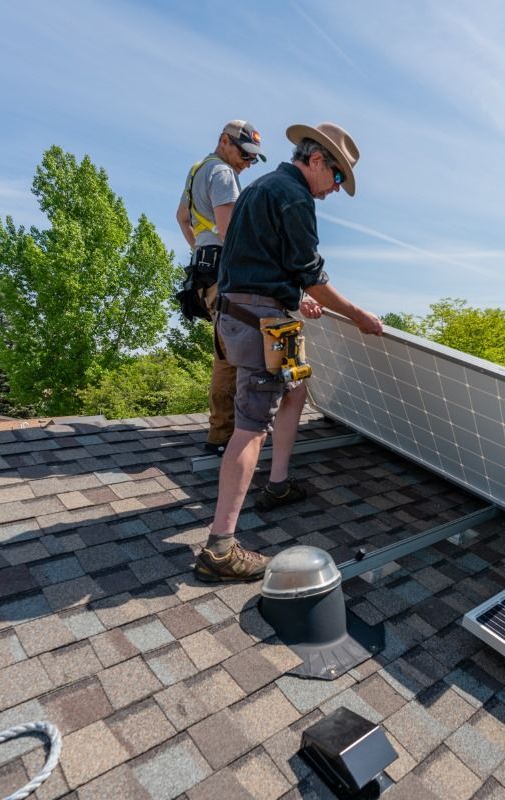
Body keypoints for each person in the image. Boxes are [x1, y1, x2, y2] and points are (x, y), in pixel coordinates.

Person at [193, 122, 383, 582]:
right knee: (251, 426)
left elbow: (265, 263)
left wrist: (294, 298)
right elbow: (311, 274)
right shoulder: (293, 195)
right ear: (316, 160)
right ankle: (220, 547)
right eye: (337, 178)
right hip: (261, 320)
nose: (335, 190)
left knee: (295, 390)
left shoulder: (262, 188)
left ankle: (277, 485)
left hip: (269, 314)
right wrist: (357, 314)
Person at [176, 120, 266, 455]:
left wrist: (199, 247)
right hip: (225, 274)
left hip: (204, 272)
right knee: (234, 355)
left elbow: (181, 217)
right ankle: (227, 437)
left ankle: (222, 434)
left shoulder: (197, 170)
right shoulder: (223, 174)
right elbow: (231, 232)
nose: (248, 162)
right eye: (245, 153)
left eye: (254, 158)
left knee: (225, 350)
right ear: (224, 141)